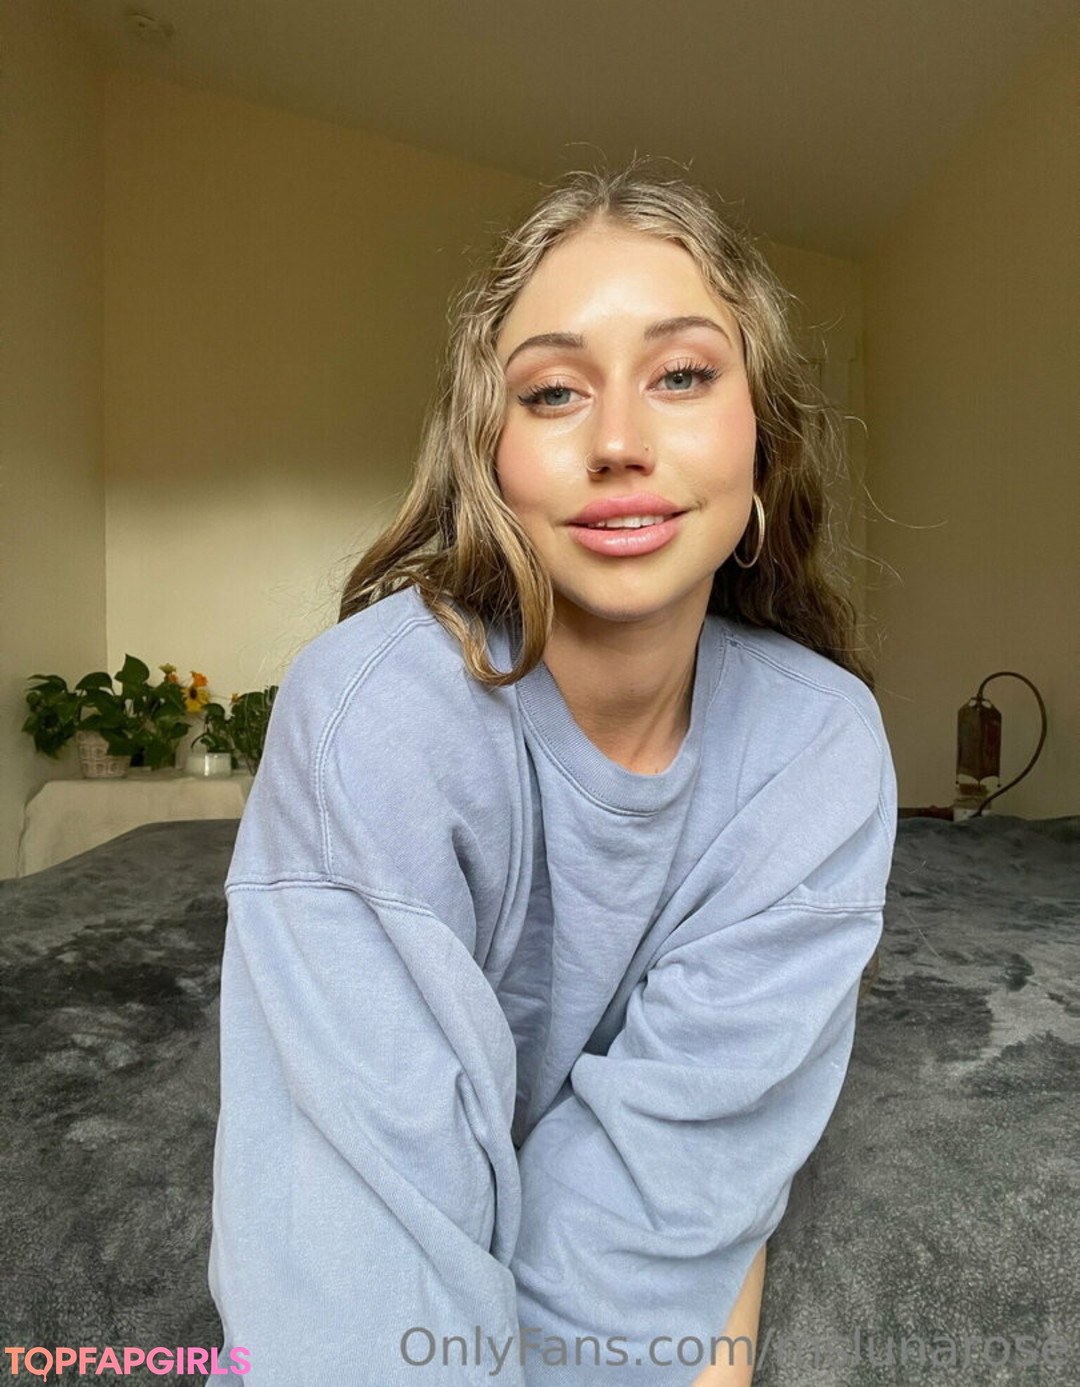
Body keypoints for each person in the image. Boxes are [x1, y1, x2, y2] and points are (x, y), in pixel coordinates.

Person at [208, 165, 897, 1386]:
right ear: (491, 460)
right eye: (554, 391)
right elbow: (353, 1280)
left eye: (683, 375)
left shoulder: (820, 744)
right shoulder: (374, 711)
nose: (619, 442)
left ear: (763, 445)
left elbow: (667, 1182)